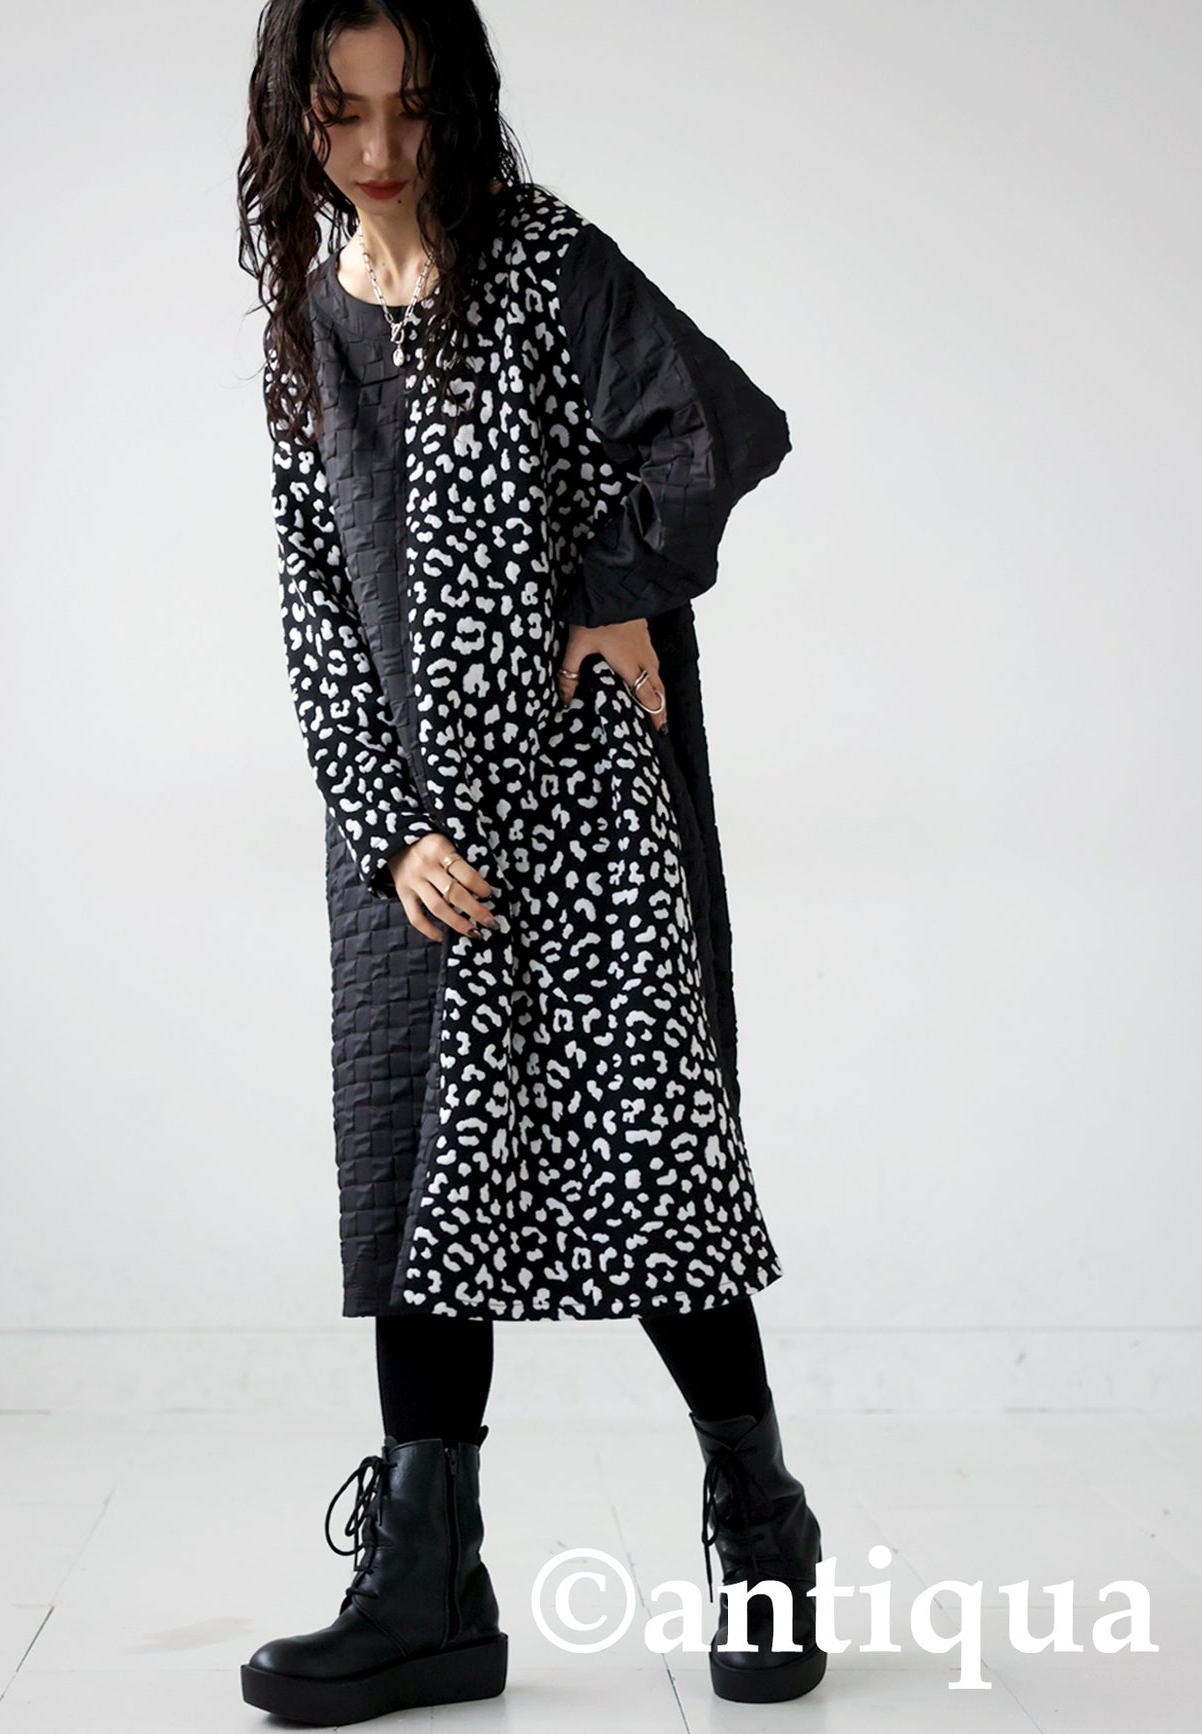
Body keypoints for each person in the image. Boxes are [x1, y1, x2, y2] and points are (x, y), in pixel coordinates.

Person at [235, 1, 824, 1721]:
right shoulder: (308, 324)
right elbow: (314, 604)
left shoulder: (546, 265)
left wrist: (616, 589)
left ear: (461, 106)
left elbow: (723, 426)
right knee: (421, 1180)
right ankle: (427, 1578)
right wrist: (385, 824)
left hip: (583, 812)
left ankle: (762, 1525)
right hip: (419, 846)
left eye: (410, 110)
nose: (378, 151)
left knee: (652, 1168)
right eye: (339, 115)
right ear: (290, 120)